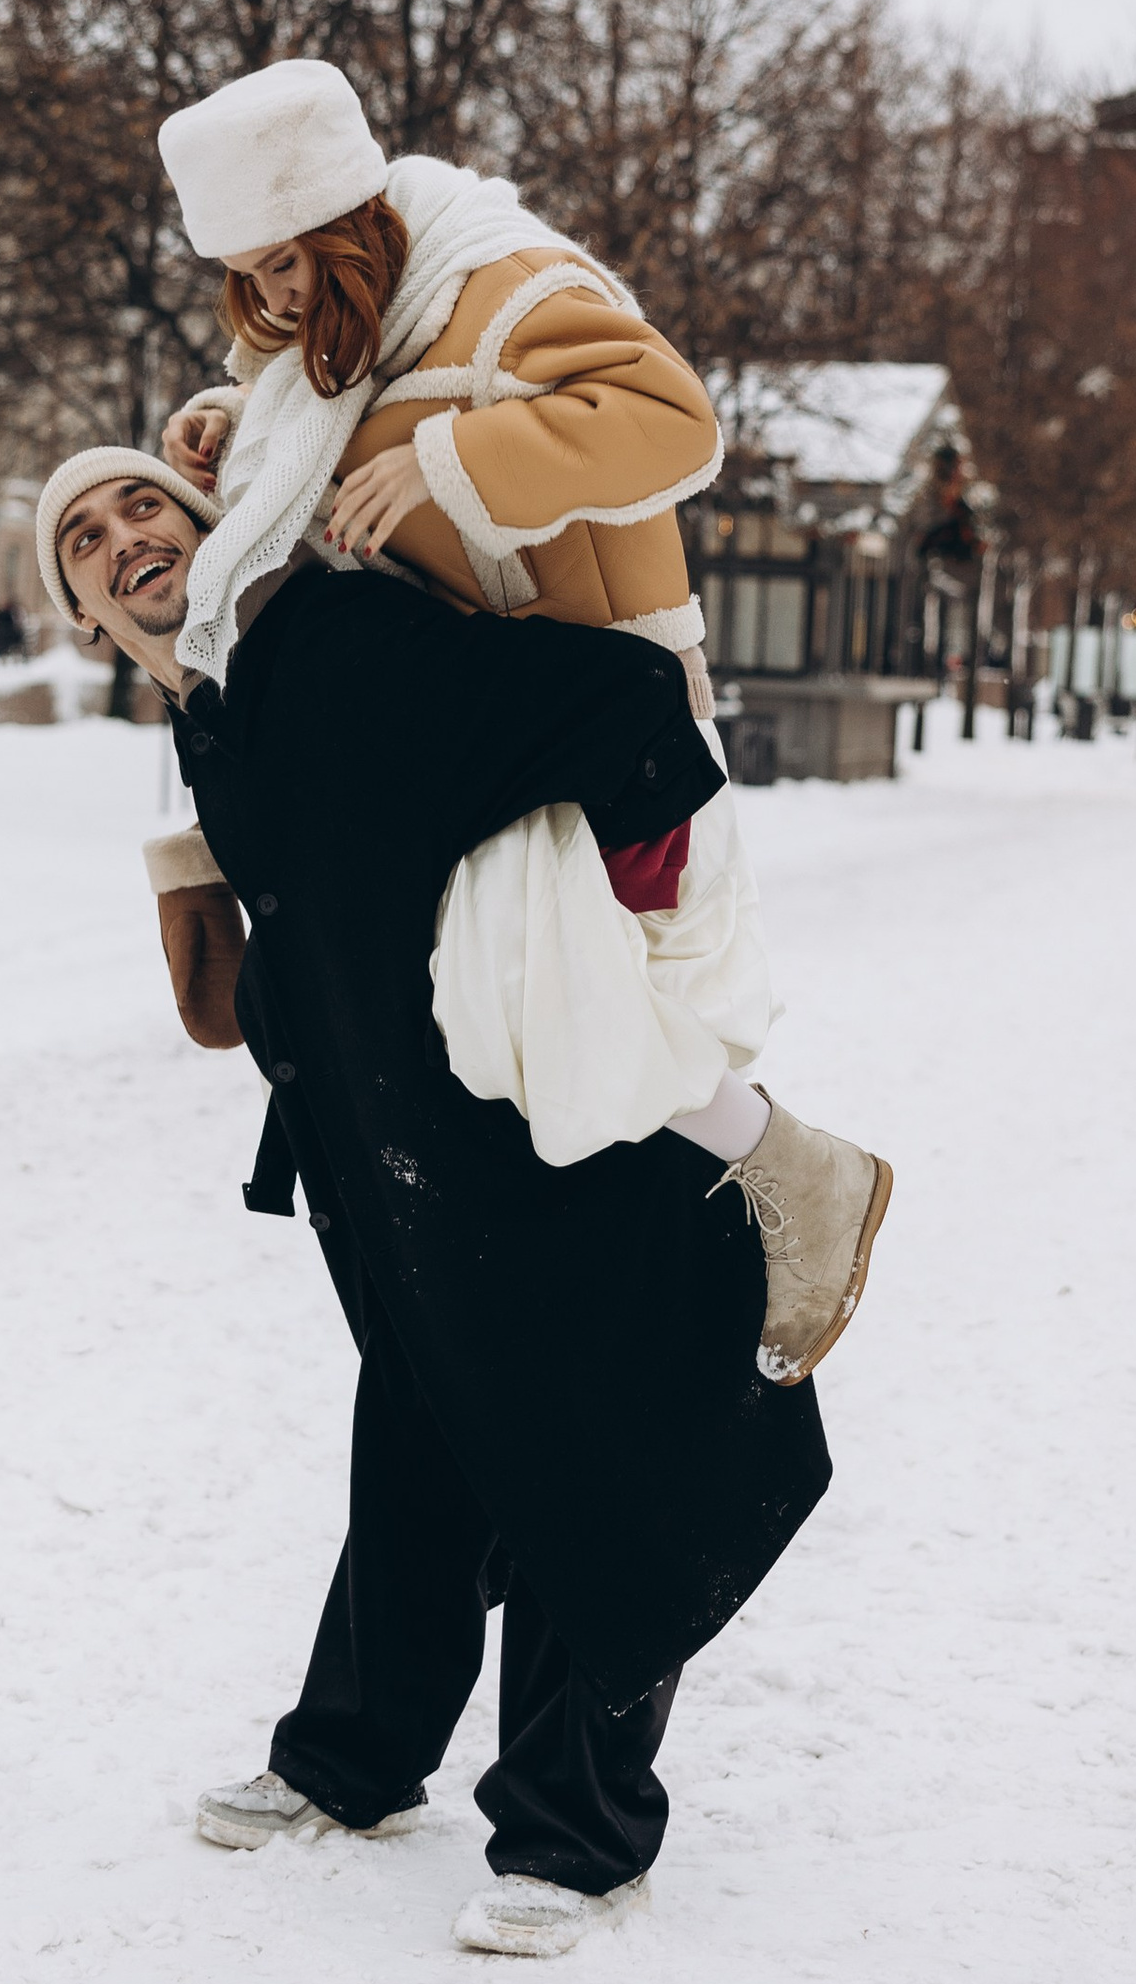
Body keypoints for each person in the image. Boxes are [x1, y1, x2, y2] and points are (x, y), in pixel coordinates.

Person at [40, 449, 890, 1962]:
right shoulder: (225, 714)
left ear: (213, 520)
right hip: (415, 1179)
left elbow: (624, 711)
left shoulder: (329, 643)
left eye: (141, 507)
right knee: (420, 1460)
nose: (123, 543)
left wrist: (622, 958)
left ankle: (577, 1837)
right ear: (89, 620)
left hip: (558, 1155)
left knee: (590, 1466)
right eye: (86, 546)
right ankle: (353, 1762)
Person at [140, 59, 782, 1181]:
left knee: (586, 1028)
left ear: (343, 222)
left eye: (286, 263)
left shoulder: (505, 289)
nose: (279, 300)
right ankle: (708, 1261)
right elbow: (314, 418)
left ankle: (783, 1195)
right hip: (484, 736)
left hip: (612, 725)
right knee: (518, 1047)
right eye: (249, 278)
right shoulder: (345, 333)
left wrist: (451, 463)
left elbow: (674, 422)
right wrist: (226, 423)